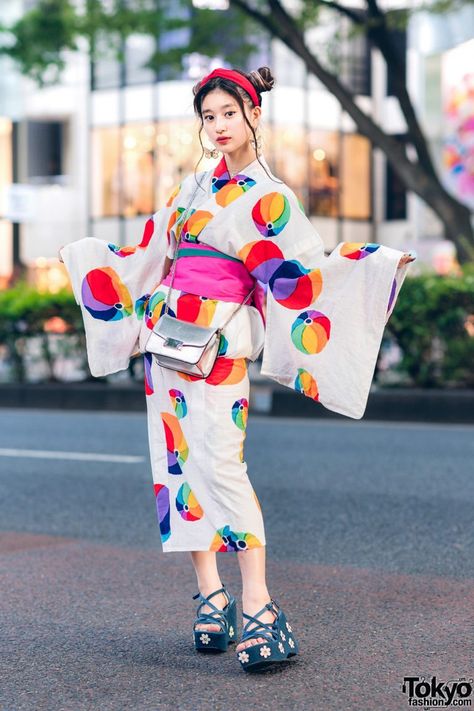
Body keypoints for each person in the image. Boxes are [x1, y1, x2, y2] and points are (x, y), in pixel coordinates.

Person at [59, 65, 415, 673]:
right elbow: (150, 255)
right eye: (208, 117)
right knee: (178, 466)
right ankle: (211, 595)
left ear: (254, 115)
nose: (219, 126)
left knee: (223, 465)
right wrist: (95, 262)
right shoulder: (190, 189)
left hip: (219, 349)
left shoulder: (269, 199)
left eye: (229, 113)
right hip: (168, 344)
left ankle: (260, 606)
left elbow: (300, 280)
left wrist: (367, 264)